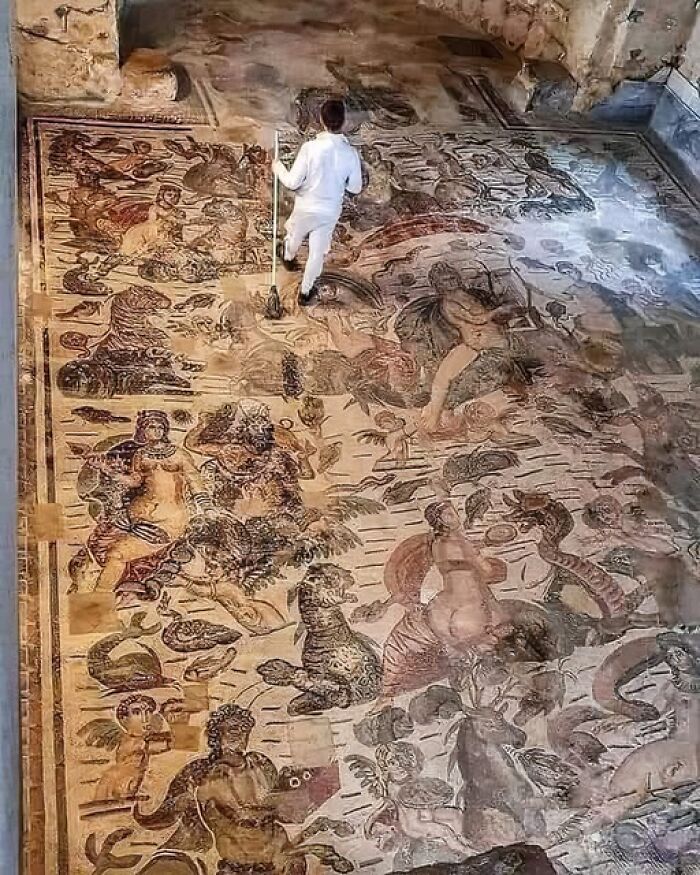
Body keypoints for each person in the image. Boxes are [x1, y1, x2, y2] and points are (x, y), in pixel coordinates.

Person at [273, 99, 362, 305]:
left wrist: (277, 167)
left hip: (306, 206)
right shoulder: (351, 154)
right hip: (329, 211)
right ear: (343, 122)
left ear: (320, 120)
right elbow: (355, 188)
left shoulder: (310, 148)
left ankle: (288, 256)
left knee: (294, 234)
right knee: (317, 252)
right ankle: (305, 292)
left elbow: (293, 182)